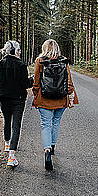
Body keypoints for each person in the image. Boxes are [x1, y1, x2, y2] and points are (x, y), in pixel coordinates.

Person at [32, 39, 79, 171]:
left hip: (44, 98)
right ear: (57, 48)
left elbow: (36, 81)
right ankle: (52, 146)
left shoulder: (40, 61)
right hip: (60, 98)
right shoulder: (64, 60)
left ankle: (47, 151)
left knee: (46, 124)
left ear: (44, 48)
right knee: (56, 122)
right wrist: (70, 96)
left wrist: (36, 94)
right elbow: (69, 81)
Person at [0, 40, 33, 167]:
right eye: (18, 50)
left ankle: (7, 144)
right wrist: (33, 80)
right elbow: (25, 84)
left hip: (4, 99)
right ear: (13, 51)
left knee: (6, 120)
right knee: (16, 125)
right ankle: (11, 157)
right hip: (18, 99)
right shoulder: (21, 65)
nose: (19, 52)